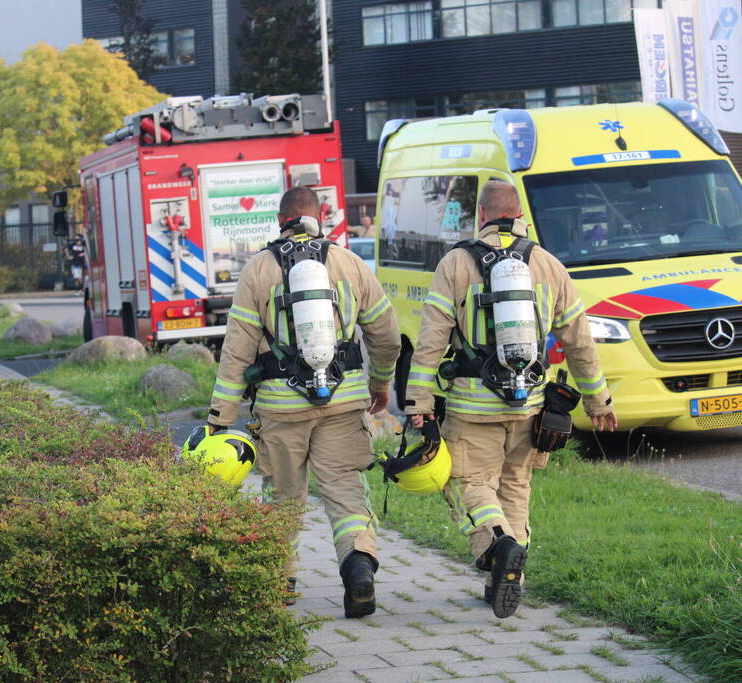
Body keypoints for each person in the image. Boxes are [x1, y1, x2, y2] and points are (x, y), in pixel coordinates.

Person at [404, 180, 617, 618]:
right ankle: (508, 574)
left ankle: (497, 546)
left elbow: (429, 343)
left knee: (468, 484)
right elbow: (580, 342)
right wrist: (599, 402)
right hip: (531, 403)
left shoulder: (456, 264)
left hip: (472, 405)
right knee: (516, 485)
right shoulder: (548, 264)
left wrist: (418, 403)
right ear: (519, 214)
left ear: (481, 215)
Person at [207, 186, 401, 618]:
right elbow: (386, 333)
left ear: (280, 221)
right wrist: (381, 383)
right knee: (346, 494)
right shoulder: (349, 263)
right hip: (344, 403)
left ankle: (281, 585)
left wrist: (220, 416)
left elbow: (237, 350)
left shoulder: (258, 269)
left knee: (282, 497)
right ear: (322, 216)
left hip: (280, 408)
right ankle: (358, 571)